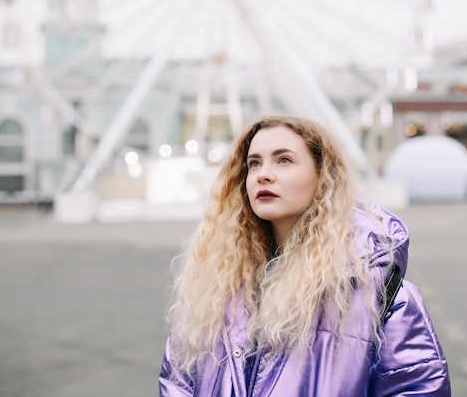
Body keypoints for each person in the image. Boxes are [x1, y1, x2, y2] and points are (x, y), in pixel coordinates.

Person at [159, 115, 451, 396]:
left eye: (284, 160)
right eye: (254, 163)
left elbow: (417, 388)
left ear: (323, 175)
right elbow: (178, 380)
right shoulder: (213, 287)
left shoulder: (377, 290)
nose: (264, 174)